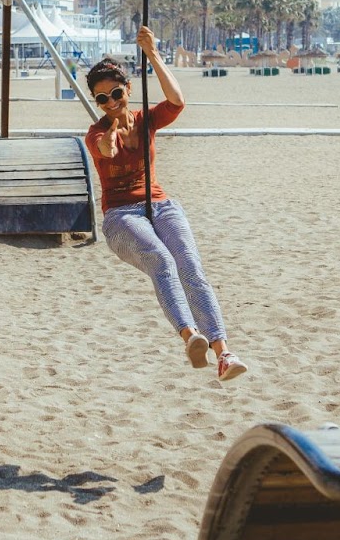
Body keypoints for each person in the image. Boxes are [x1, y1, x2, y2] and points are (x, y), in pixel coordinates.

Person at [83, 26, 247, 382]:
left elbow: (177, 102)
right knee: (161, 259)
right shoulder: (96, 132)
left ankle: (223, 353)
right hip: (121, 217)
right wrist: (111, 132)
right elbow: (104, 150)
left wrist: (153, 53)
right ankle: (191, 337)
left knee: (190, 265)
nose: (111, 102)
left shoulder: (145, 121)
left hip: (160, 205)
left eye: (115, 93)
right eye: (102, 99)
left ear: (127, 90)